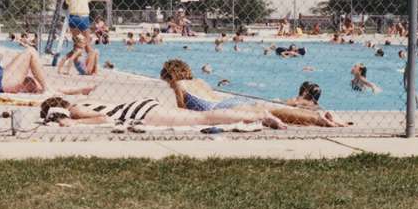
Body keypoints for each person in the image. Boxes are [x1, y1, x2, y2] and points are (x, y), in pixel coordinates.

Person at [159, 59, 349, 127]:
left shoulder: (179, 85)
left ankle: (318, 119)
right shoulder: (199, 81)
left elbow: (183, 111)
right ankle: (318, 115)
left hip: (222, 108)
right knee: (276, 110)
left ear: (170, 76)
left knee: (275, 113)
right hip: (231, 101)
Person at [0, 21, 95, 95]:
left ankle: (76, 90)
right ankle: (48, 89)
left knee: (33, 83)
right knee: (30, 51)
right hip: (0, 83)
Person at [40, 96, 286, 130]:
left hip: (141, 111)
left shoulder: (75, 110)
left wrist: (73, 123)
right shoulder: (83, 102)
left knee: (202, 119)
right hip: (142, 106)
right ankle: (253, 111)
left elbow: (104, 118)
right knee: (200, 118)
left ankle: (258, 114)